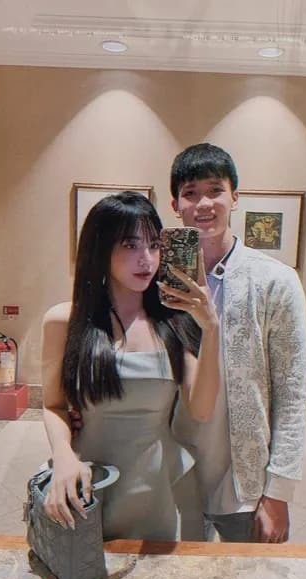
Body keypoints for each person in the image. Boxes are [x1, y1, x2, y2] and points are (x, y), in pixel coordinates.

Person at [41, 191, 219, 541]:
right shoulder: (64, 321)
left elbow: (201, 409)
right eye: (130, 245)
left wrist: (211, 327)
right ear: (100, 249)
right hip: (87, 479)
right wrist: (63, 456)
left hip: (159, 488)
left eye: (154, 246)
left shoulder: (174, 322)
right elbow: (53, 405)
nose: (146, 259)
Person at [169, 143, 306, 543]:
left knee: (250, 575)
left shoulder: (275, 281)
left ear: (235, 197)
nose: (203, 204)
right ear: (175, 205)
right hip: (172, 470)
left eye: (215, 190)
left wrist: (279, 490)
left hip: (244, 480)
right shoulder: (159, 283)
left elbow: (292, 390)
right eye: (190, 193)